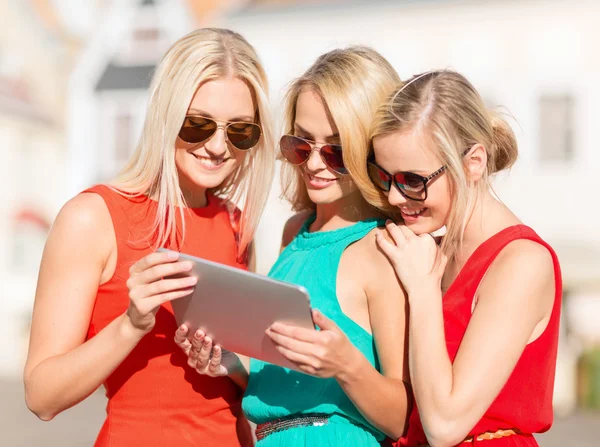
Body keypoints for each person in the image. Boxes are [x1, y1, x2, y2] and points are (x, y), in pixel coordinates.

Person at [23, 28, 274, 447]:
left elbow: (241, 385)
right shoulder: (93, 217)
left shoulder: (237, 223)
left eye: (239, 132)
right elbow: (41, 396)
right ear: (166, 115)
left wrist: (228, 363)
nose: (217, 146)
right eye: (198, 125)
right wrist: (131, 325)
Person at [176, 47, 411, 446]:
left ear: (371, 148)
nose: (315, 165)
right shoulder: (294, 232)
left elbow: (401, 417)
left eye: (336, 151)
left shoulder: (383, 249)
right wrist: (228, 363)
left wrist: (346, 365)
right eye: (301, 146)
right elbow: (292, 384)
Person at [363, 70, 562, 446]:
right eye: (384, 177)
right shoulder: (430, 251)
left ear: (473, 162)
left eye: (412, 179)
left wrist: (422, 291)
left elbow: (444, 425)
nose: (393, 197)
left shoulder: (521, 262)